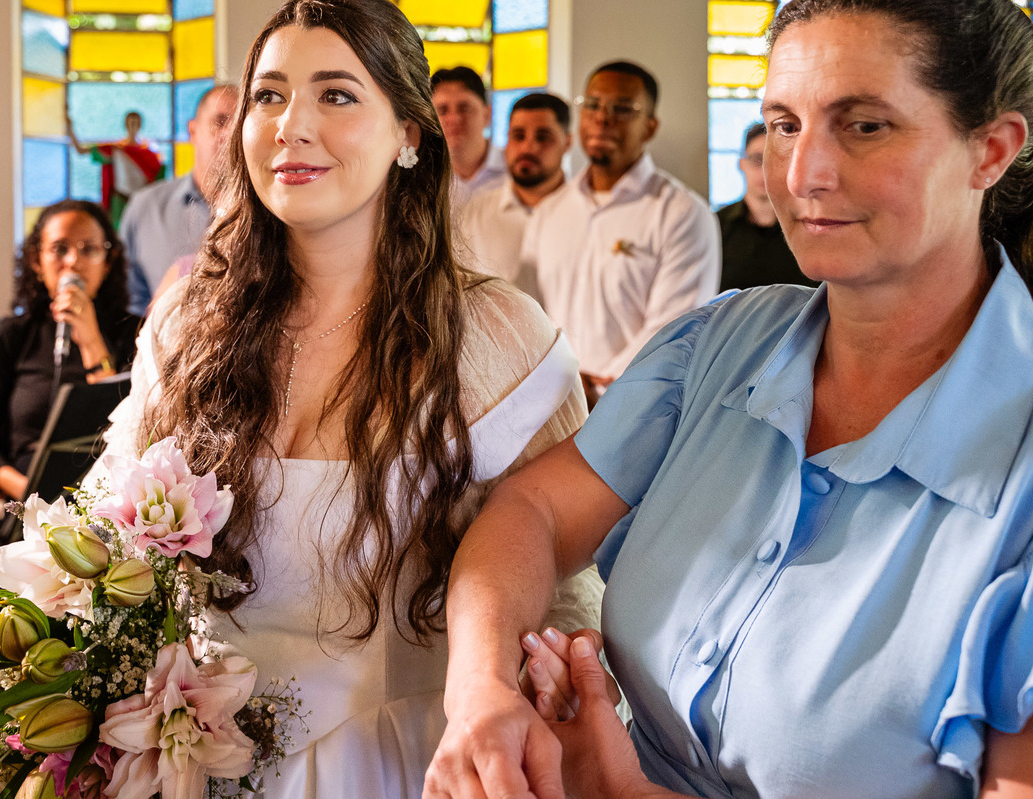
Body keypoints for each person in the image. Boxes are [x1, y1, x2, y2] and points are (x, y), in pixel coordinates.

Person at [425, 0, 1033, 797]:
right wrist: (481, 690)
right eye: (784, 124)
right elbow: (531, 512)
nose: (802, 173)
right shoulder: (718, 344)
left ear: (990, 149)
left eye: (863, 126)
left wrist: (623, 788)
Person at [92, 1, 599, 796]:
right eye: (268, 95)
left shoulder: (494, 337)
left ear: (408, 134)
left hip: (401, 762)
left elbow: (566, 586)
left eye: (336, 94)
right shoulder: (186, 326)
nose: (291, 126)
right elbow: (104, 543)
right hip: (196, 762)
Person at [523, 61, 720, 407]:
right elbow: (528, 311)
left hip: (638, 409)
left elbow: (676, 330)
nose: (602, 118)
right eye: (593, 105)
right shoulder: (549, 212)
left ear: (650, 127)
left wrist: (596, 389)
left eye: (623, 109)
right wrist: (561, 378)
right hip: (551, 402)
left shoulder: (682, 213)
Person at [0, 200, 140, 501]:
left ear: (108, 261)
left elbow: (129, 424)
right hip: (28, 498)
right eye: (59, 248)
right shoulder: (12, 335)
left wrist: (90, 338)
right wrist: (28, 492)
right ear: (36, 261)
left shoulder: (137, 334)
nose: (73, 262)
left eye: (89, 249)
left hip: (110, 498)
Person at [121, 85, 240, 314]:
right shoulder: (145, 208)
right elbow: (127, 307)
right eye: (220, 121)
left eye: (241, 124)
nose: (230, 134)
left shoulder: (273, 212)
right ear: (192, 131)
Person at [458, 92, 573, 303]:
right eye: (518, 136)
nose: (528, 148)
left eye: (543, 137)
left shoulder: (586, 215)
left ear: (568, 142)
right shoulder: (472, 216)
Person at [717, 122, 812, 291]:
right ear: (741, 164)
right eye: (756, 160)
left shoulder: (810, 226)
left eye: (774, 160)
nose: (765, 170)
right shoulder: (715, 226)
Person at [67, 110, 163, 228]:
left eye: (135, 123)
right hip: (120, 199)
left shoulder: (148, 152)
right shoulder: (116, 149)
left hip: (142, 199)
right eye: (130, 123)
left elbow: (158, 176)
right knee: (118, 232)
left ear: (140, 125)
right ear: (126, 125)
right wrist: (70, 128)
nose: (132, 126)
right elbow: (81, 150)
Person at [432, 66, 506, 207]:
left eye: (464, 108)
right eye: (442, 110)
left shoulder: (515, 171)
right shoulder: (423, 180)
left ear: (487, 114)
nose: (454, 119)